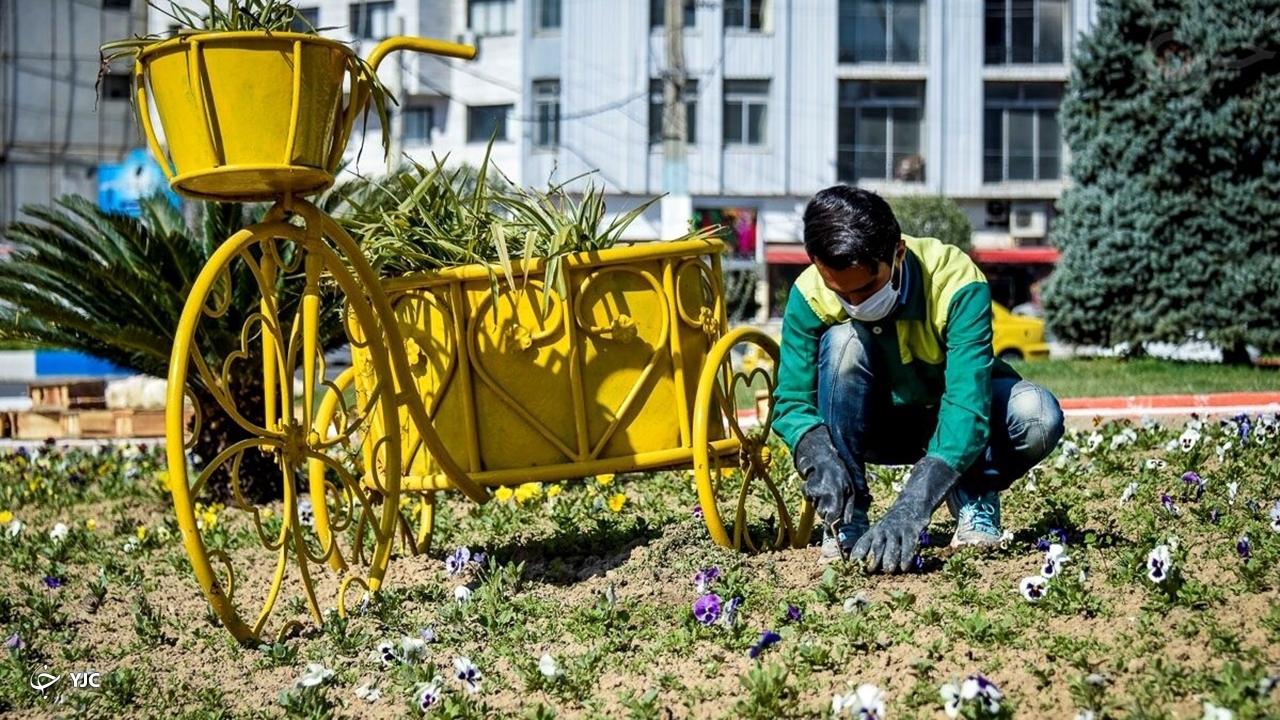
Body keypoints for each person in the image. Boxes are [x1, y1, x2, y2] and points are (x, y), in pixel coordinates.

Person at [773, 186, 1065, 572]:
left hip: (955, 421)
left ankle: (973, 490)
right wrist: (816, 451)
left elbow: (966, 404)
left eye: (866, 287)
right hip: (878, 425)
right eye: (838, 290)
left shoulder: (956, 281)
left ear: (898, 253)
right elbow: (791, 400)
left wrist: (912, 506)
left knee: (1037, 414)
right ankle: (847, 520)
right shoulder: (809, 293)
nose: (854, 303)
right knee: (844, 339)